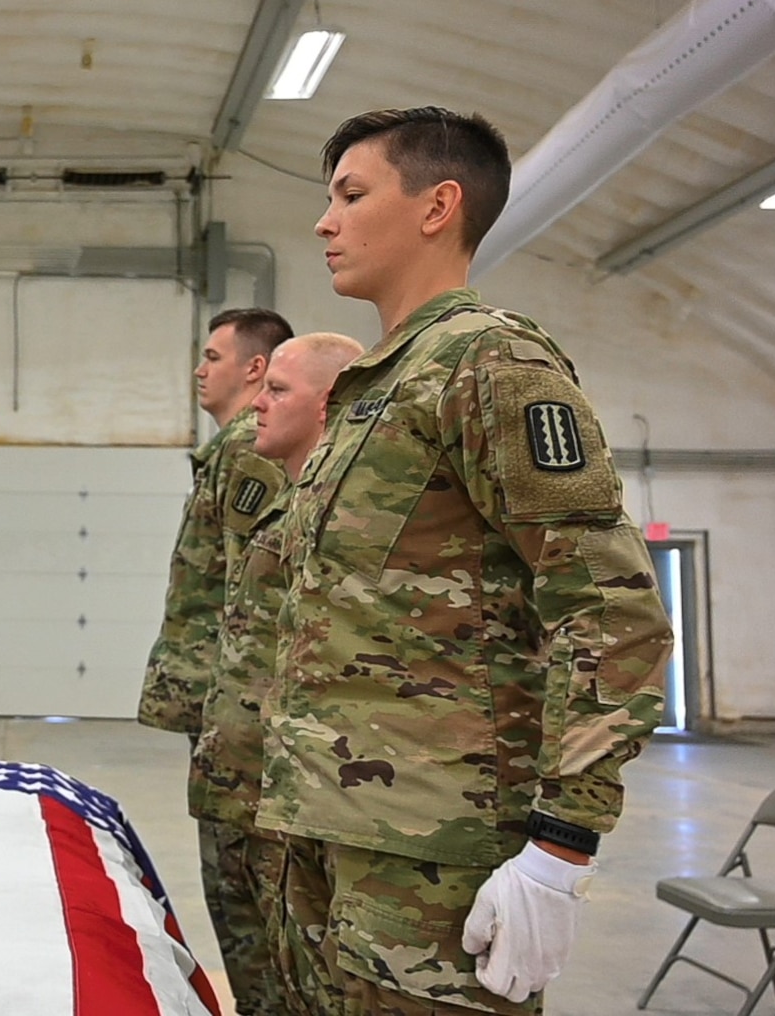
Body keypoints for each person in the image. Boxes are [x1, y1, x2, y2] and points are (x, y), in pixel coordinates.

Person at [257, 108, 672, 1015]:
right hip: (335, 828)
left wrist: (561, 848)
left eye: (351, 195)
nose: (324, 223)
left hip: (436, 854)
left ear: (438, 205)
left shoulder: (487, 361)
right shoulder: (376, 389)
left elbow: (609, 609)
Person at [193, 333, 365, 1004]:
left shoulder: (340, 511)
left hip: (289, 783)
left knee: (294, 972)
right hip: (244, 759)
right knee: (265, 968)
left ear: (326, 404)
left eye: (276, 391)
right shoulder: (292, 500)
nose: (255, 405)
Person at [137, 305, 293, 1016]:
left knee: (245, 904)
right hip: (227, 714)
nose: (199, 370)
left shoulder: (245, 450)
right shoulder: (235, 450)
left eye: (213, 355)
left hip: (240, 725)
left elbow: (247, 595)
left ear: (254, 368)